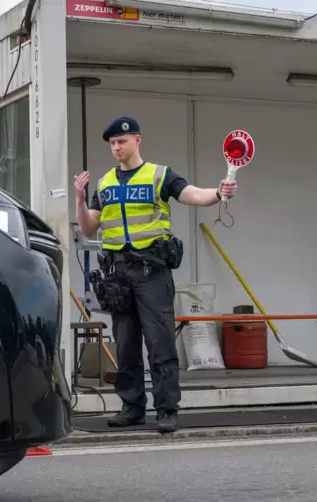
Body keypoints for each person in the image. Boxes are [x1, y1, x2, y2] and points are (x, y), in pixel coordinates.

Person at [74, 116, 237, 433]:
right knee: (126, 344)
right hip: (118, 275)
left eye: (121, 141)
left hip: (152, 272)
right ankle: (132, 408)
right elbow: (88, 226)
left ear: (137, 140)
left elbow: (192, 195)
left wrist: (219, 192)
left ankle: (166, 410)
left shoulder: (159, 175)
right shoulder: (106, 183)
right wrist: (80, 201)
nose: (116, 147)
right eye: (112, 143)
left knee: (160, 343)